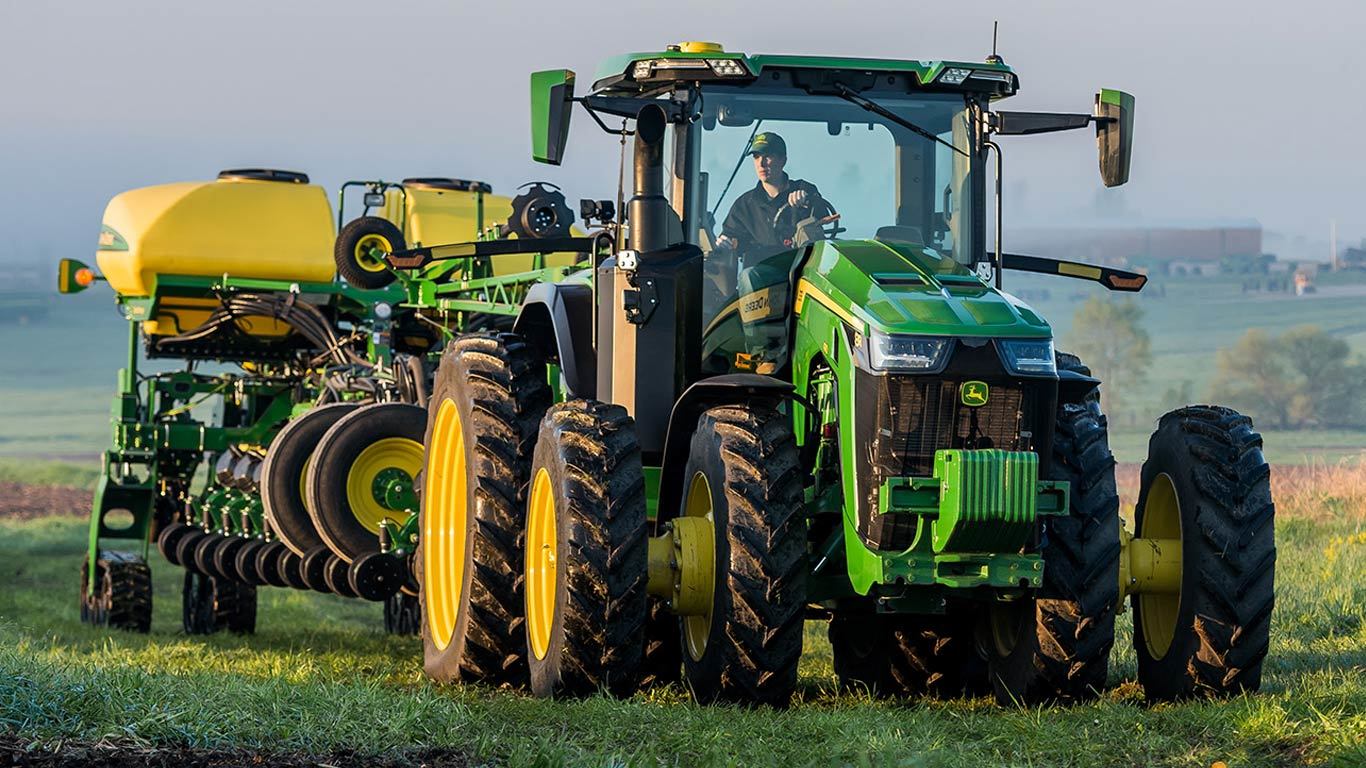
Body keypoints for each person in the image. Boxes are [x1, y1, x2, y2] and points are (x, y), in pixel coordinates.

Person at [715, 132, 832, 264]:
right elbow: (730, 238)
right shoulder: (744, 204)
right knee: (749, 277)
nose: (761, 163)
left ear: (783, 160)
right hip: (760, 274)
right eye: (756, 157)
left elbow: (824, 220)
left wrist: (807, 201)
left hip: (801, 271)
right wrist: (724, 243)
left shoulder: (805, 190)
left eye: (767, 156)